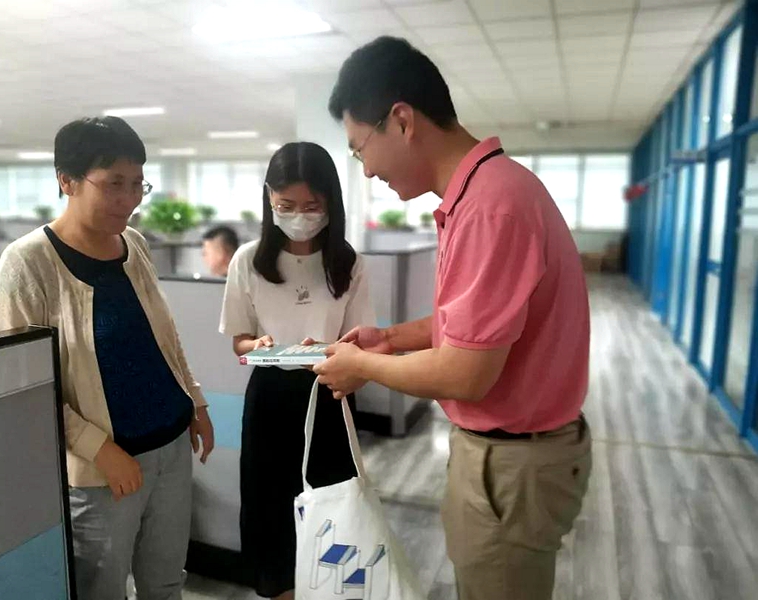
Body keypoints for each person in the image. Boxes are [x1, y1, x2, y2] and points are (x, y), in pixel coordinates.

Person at [313, 36, 592, 600]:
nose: (366, 171)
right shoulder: (483, 194)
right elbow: (475, 327)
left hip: (512, 463)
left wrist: (361, 366)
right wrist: (389, 338)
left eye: (360, 149)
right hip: (507, 456)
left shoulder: (490, 206)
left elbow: (466, 373)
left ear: (401, 121)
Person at [0, 116, 215, 600]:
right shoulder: (28, 264)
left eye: (137, 184)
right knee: (102, 590)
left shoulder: (135, 245)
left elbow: (164, 337)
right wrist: (99, 449)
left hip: (171, 448)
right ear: (67, 181)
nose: (129, 200)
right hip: (100, 470)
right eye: (114, 184)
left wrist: (195, 401)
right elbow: (19, 390)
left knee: (165, 583)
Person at [220, 142, 375, 600]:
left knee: (333, 506)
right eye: (286, 205)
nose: (299, 216)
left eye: (312, 206)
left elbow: (359, 343)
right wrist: (257, 346)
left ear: (330, 203)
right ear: (269, 197)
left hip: (329, 392)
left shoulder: (348, 263)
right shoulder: (248, 260)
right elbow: (239, 341)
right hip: (270, 397)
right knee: (269, 507)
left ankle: (330, 590)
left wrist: (328, 350)